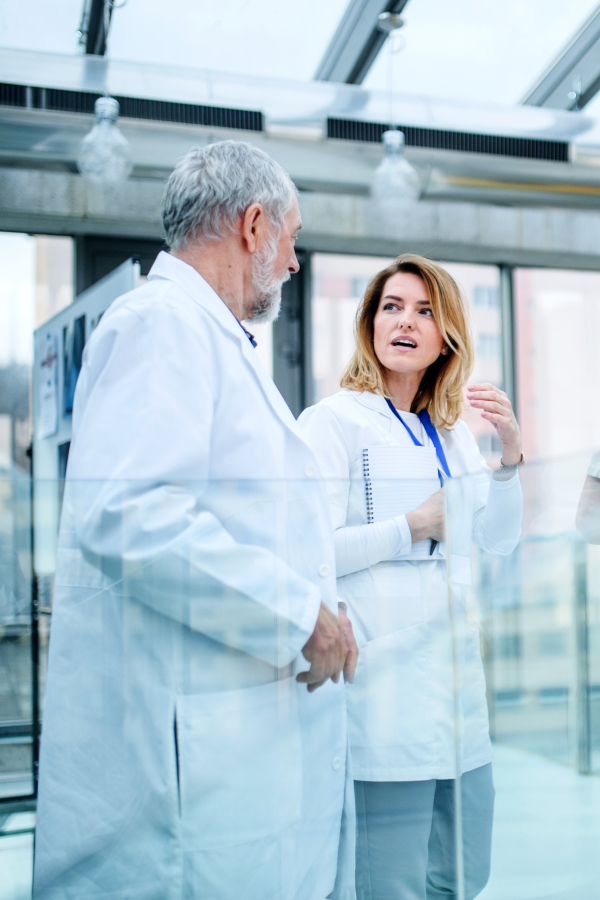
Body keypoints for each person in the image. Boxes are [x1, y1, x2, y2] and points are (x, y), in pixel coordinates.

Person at [33, 141, 358, 900]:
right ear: (254, 226)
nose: (294, 263)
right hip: (190, 772)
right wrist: (301, 615)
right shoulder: (161, 325)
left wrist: (316, 608)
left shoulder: (207, 337)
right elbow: (130, 518)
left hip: (236, 740)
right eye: (294, 238)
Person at [297, 254, 523, 900]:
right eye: (392, 307)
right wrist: (413, 525)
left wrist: (509, 454)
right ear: (370, 323)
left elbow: (499, 537)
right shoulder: (332, 423)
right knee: (388, 886)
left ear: (446, 334)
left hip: (458, 708)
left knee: (463, 875)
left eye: (425, 311)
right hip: (381, 705)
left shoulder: (451, 438)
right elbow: (304, 552)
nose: (405, 321)